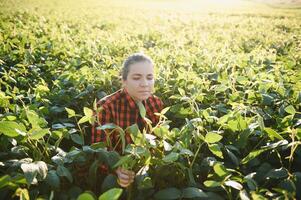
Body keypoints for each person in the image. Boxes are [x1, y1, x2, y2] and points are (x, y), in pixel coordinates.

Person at [91, 53, 164, 188]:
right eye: (136, 78)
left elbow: (158, 142)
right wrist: (117, 170)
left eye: (150, 77)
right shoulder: (106, 107)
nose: (145, 84)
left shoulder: (156, 103)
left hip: (145, 173)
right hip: (114, 177)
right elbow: (99, 151)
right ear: (124, 81)